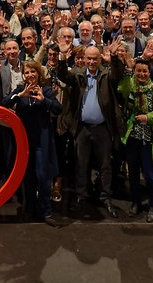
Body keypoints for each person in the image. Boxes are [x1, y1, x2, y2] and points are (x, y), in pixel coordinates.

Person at [56, 45, 124, 219]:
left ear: (100, 59)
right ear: (84, 59)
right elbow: (62, 75)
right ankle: (81, 197)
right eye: (89, 59)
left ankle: (105, 197)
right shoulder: (78, 74)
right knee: (81, 164)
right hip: (82, 129)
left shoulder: (107, 74)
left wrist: (114, 58)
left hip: (103, 128)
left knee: (105, 166)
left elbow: (119, 75)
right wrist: (63, 56)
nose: (92, 62)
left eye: (95, 59)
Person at [116, 57, 153, 222]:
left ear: (149, 72)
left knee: (150, 175)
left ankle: (152, 206)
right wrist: (127, 71)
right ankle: (136, 202)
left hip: (149, 139)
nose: (141, 74)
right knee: (132, 173)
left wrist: (148, 117)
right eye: (138, 71)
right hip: (132, 137)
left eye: (144, 71)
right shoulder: (131, 85)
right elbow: (121, 89)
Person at [9, 60, 62, 224]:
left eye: (33, 72)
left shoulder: (45, 90)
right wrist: (19, 96)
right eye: (27, 73)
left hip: (42, 141)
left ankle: (46, 211)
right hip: (24, 141)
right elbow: (5, 103)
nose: (30, 75)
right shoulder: (20, 89)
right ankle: (29, 209)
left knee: (43, 175)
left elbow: (58, 109)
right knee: (28, 176)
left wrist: (43, 100)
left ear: (39, 74)